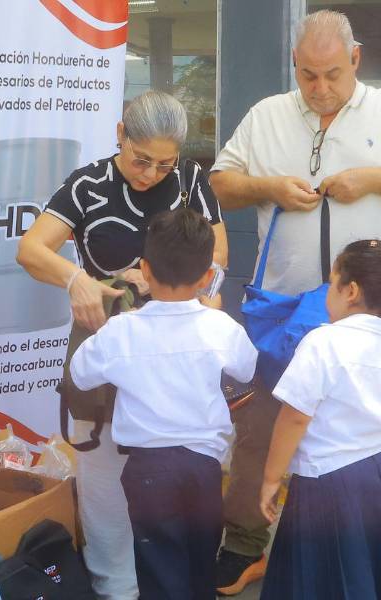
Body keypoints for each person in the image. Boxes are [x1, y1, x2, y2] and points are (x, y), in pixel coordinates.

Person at [209, 9, 381, 594]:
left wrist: (372, 178)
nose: (319, 89)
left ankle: (363, 548)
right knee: (265, 425)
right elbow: (221, 182)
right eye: (306, 75)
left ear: (356, 62)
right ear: (294, 67)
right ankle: (246, 543)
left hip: (367, 309)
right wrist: (268, 187)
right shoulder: (266, 115)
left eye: (331, 75)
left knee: (361, 432)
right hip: (284, 311)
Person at [17, 90, 227, 600]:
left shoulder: (191, 180)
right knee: (103, 468)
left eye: (164, 163)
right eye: (141, 159)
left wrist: (195, 285)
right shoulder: (90, 184)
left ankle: (178, 578)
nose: (152, 173)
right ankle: (116, 585)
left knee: (177, 460)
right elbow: (31, 249)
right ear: (120, 135)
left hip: (176, 340)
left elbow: (218, 254)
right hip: (105, 338)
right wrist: (77, 280)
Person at [69, 209, 256, 599]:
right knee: (200, 566)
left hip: (147, 470)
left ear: (145, 270)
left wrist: (113, 329)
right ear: (208, 277)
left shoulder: (122, 330)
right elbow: (246, 367)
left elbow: (81, 374)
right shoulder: (220, 327)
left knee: (159, 573)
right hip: (204, 466)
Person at [257, 239, 381, 600]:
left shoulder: (323, 341)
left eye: (331, 282)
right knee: (373, 579)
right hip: (380, 482)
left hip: (327, 483)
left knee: (324, 582)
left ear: (351, 290)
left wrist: (270, 478)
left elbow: (294, 417)